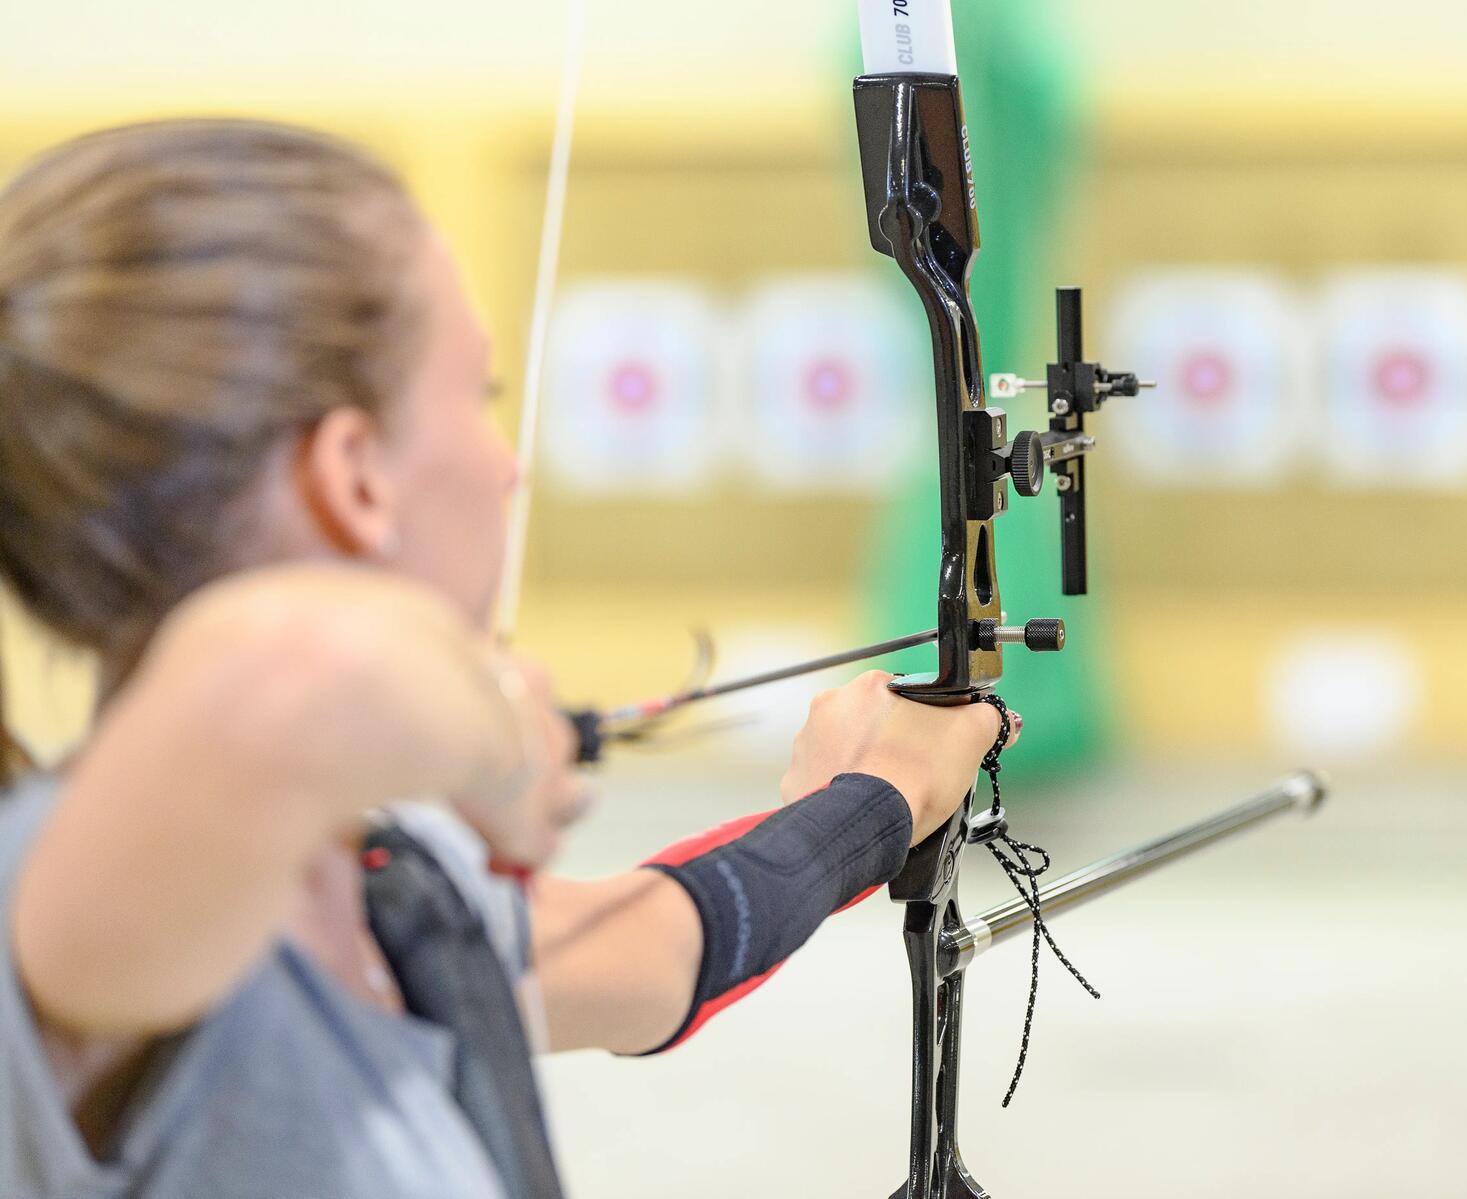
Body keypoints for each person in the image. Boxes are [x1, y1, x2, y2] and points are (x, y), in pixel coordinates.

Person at [0, 118, 1015, 1198]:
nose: (509, 468)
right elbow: (286, 679)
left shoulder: (387, 883)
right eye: (479, 399)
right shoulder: (66, 908)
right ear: (355, 477)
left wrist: (878, 793)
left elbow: (672, 938)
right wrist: (493, 736)